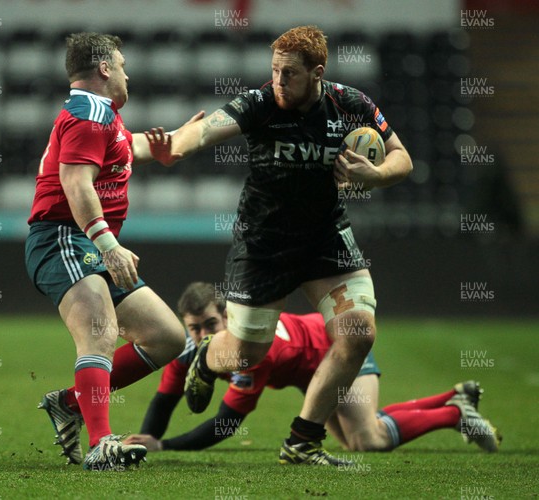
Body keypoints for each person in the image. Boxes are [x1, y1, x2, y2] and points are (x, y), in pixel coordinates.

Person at [145, 25, 413, 464]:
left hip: (326, 237)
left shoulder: (351, 104)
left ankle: (302, 439)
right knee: (248, 352)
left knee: (358, 334)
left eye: (288, 73)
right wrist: (175, 148)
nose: (278, 81)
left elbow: (402, 155)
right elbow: (210, 127)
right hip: (264, 243)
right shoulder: (261, 103)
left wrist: (377, 174)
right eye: (274, 71)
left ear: (317, 72)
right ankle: (208, 360)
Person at [25, 32, 201, 471]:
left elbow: (128, 146)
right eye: (121, 65)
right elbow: (75, 183)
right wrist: (109, 245)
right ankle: (102, 443)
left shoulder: (103, 116)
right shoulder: (88, 114)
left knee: (167, 337)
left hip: (86, 240)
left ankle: (69, 403)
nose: (127, 73)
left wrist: (173, 141)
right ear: (105, 69)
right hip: (64, 237)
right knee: (100, 332)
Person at [129, 282, 501, 459]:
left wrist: (164, 446)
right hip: (312, 373)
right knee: (353, 438)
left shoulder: (254, 352)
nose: (201, 335)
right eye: (193, 328)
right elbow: (165, 399)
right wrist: (144, 441)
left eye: (210, 325)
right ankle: (451, 399)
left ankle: (454, 414)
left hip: (339, 354)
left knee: (368, 439)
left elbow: (228, 421)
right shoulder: (194, 351)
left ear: (229, 316)